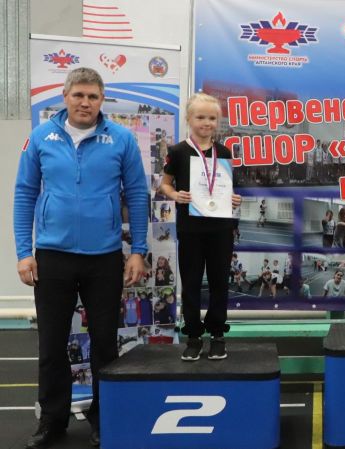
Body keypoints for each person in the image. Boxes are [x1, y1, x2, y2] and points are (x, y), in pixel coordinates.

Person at [14, 67, 148, 448]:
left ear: (102, 100)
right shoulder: (41, 137)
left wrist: (138, 251)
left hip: (103, 258)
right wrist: (24, 252)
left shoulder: (121, 138)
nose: (85, 102)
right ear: (65, 96)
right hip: (52, 256)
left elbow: (137, 194)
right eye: (78, 95)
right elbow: (24, 193)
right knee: (51, 343)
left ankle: (104, 418)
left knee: (104, 343)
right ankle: (52, 420)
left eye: (92, 96)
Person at [160, 93, 242, 362]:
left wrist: (235, 199)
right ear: (189, 119)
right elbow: (165, 184)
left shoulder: (224, 153)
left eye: (212, 118)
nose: (207, 123)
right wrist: (175, 195)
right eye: (201, 117)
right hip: (191, 229)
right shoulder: (177, 152)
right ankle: (193, 337)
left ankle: (217, 335)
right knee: (192, 283)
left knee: (220, 282)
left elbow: (227, 189)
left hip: (221, 229)